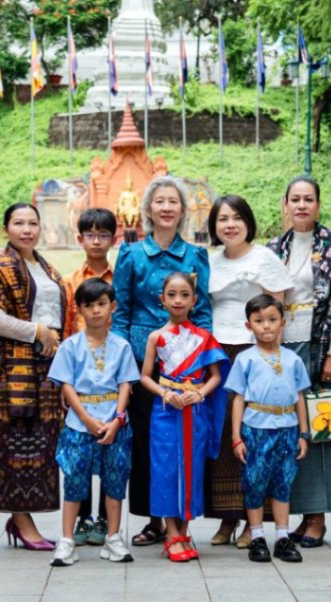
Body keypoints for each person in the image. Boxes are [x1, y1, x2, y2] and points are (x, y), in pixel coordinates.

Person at [112, 177, 212, 547]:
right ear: (148, 210)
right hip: (143, 361)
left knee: (185, 440)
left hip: (186, 362)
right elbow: (121, 313)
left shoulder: (195, 256)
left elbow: (203, 312)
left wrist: (203, 357)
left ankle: (182, 518)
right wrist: (123, 363)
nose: (167, 208)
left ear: (183, 210)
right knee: (146, 441)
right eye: (160, 201)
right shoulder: (131, 254)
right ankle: (154, 519)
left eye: (174, 201)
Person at [266, 176, 331, 548]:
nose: (301, 205)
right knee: (291, 432)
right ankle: (300, 512)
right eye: (295, 199)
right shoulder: (274, 248)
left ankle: (318, 517)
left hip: (320, 346)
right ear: (286, 204)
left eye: (308, 199)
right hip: (282, 346)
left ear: (318, 204)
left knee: (323, 428)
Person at [205, 195, 293, 547]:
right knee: (225, 430)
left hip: (254, 350)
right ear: (214, 226)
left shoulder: (264, 258)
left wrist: (270, 358)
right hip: (218, 351)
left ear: (248, 222)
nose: (230, 225)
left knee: (254, 433)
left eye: (237, 218)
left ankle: (252, 521)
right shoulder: (209, 261)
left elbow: (277, 311)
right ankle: (227, 517)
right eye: (223, 219)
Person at [0, 203, 66, 551]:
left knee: (42, 443)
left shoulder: (44, 267)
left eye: (32, 223)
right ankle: (21, 520)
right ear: (6, 229)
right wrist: (37, 331)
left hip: (46, 366)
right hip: (15, 367)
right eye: (18, 223)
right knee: (15, 442)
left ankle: (23, 519)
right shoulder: (0, 267)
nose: (26, 230)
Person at [48, 278, 141, 566]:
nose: (96, 311)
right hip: (80, 421)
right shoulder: (70, 346)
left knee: (115, 479)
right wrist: (87, 419)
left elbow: (125, 384)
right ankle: (66, 540)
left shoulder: (122, 346)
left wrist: (117, 419)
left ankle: (113, 537)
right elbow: (66, 386)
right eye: (89, 305)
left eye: (102, 304)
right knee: (75, 478)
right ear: (79, 309)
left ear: (113, 306)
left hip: (114, 421)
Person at [138, 272, 228, 562]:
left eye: (185, 295)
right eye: (172, 295)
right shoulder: (156, 337)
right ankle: (171, 534)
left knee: (193, 467)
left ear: (194, 300)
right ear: (162, 299)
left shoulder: (204, 338)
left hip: (195, 410)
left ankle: (184, 531)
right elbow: (145, 377)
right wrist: (165, 393)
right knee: (164, 468)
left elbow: (216, 377)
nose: (178, 300)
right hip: (165, 411)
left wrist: (200, 394)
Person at [226, 295, 310, 563]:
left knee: (284, 481)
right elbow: (238, 398)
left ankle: (282, 537)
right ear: (248, 325)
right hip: (256, 428)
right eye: (259, 320)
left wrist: (304, 434)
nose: (266, 326)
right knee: (254, 482)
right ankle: (257, 536)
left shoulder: (293, 360)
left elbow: (300, 397)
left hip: (287, 429)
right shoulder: (245, 360)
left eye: (272, 320)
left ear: (282, 323)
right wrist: (236, 436)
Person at [61, 208, 118, 546]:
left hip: (111, 375)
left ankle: (104, 518)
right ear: (80, 239)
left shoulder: (119, 279)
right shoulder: (69, 281)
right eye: (90, 235)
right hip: (80, 378)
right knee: (80, 450)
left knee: (110, 448)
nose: (97, 241)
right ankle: (82, 518)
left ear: (114, 238)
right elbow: (66, 328)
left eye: (103, 235)